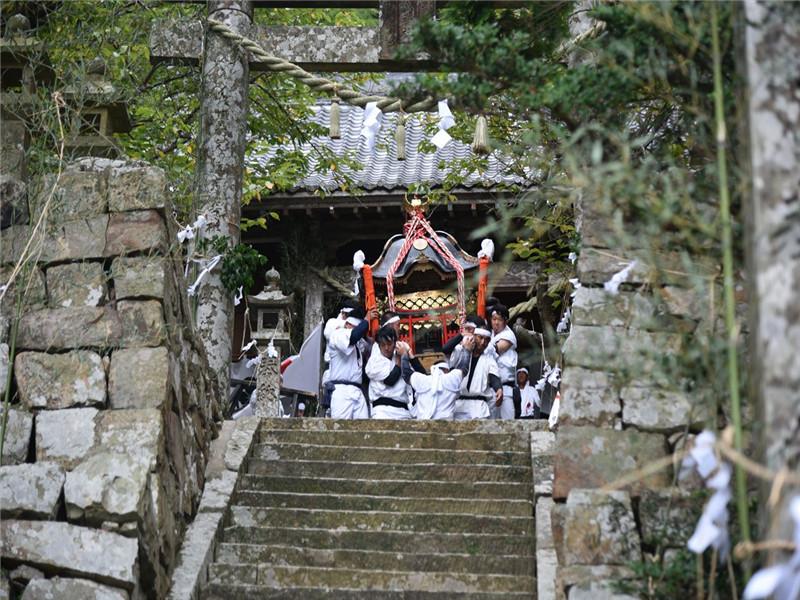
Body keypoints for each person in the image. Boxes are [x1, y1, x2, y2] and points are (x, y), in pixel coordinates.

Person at [326, 306, 377, 419]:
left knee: (362, 428)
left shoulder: (360, 343)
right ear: (348, 324)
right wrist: (366, 319)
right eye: (356, 327)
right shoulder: (338, 334)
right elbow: (354, 336)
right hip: (341, 391)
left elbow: (370, 346)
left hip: (357, 390)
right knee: (341, 429)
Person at [402, 339, 472, 419]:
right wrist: (467, 349)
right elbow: (464, 367)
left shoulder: (423, 380)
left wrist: (404, 353)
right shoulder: (451, 379)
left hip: (423, 425)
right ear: (446, 370)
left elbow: (406, 373)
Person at [452, 325, 501, 420]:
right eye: (480, 338)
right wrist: (461, 335)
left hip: (479, 407)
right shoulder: (461, 351)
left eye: (487, 340)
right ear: (474, 337)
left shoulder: (489, 359)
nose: (483, 342)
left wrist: (499, 388)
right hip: (459, 405)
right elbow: (445, 349)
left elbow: (494, 377)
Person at [365, 326, 413, 420]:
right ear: (378, 346)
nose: (386, 348)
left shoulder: (401, 357)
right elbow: (390, 380)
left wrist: (408, 354)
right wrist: (399, 360)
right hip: (382, 411)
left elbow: (415, 376)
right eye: (383, 345)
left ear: (395, 343)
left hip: (402, 410)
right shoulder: (375, 361)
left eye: (389, 344)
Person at [489, 304, 519, 420]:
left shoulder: (509, 335)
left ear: (505, 321)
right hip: (490, 387)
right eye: (494, 319)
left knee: (508, 422)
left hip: (505, 388)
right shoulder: (490, 335)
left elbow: (496, 350)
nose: (496, 323)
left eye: (500, 320)